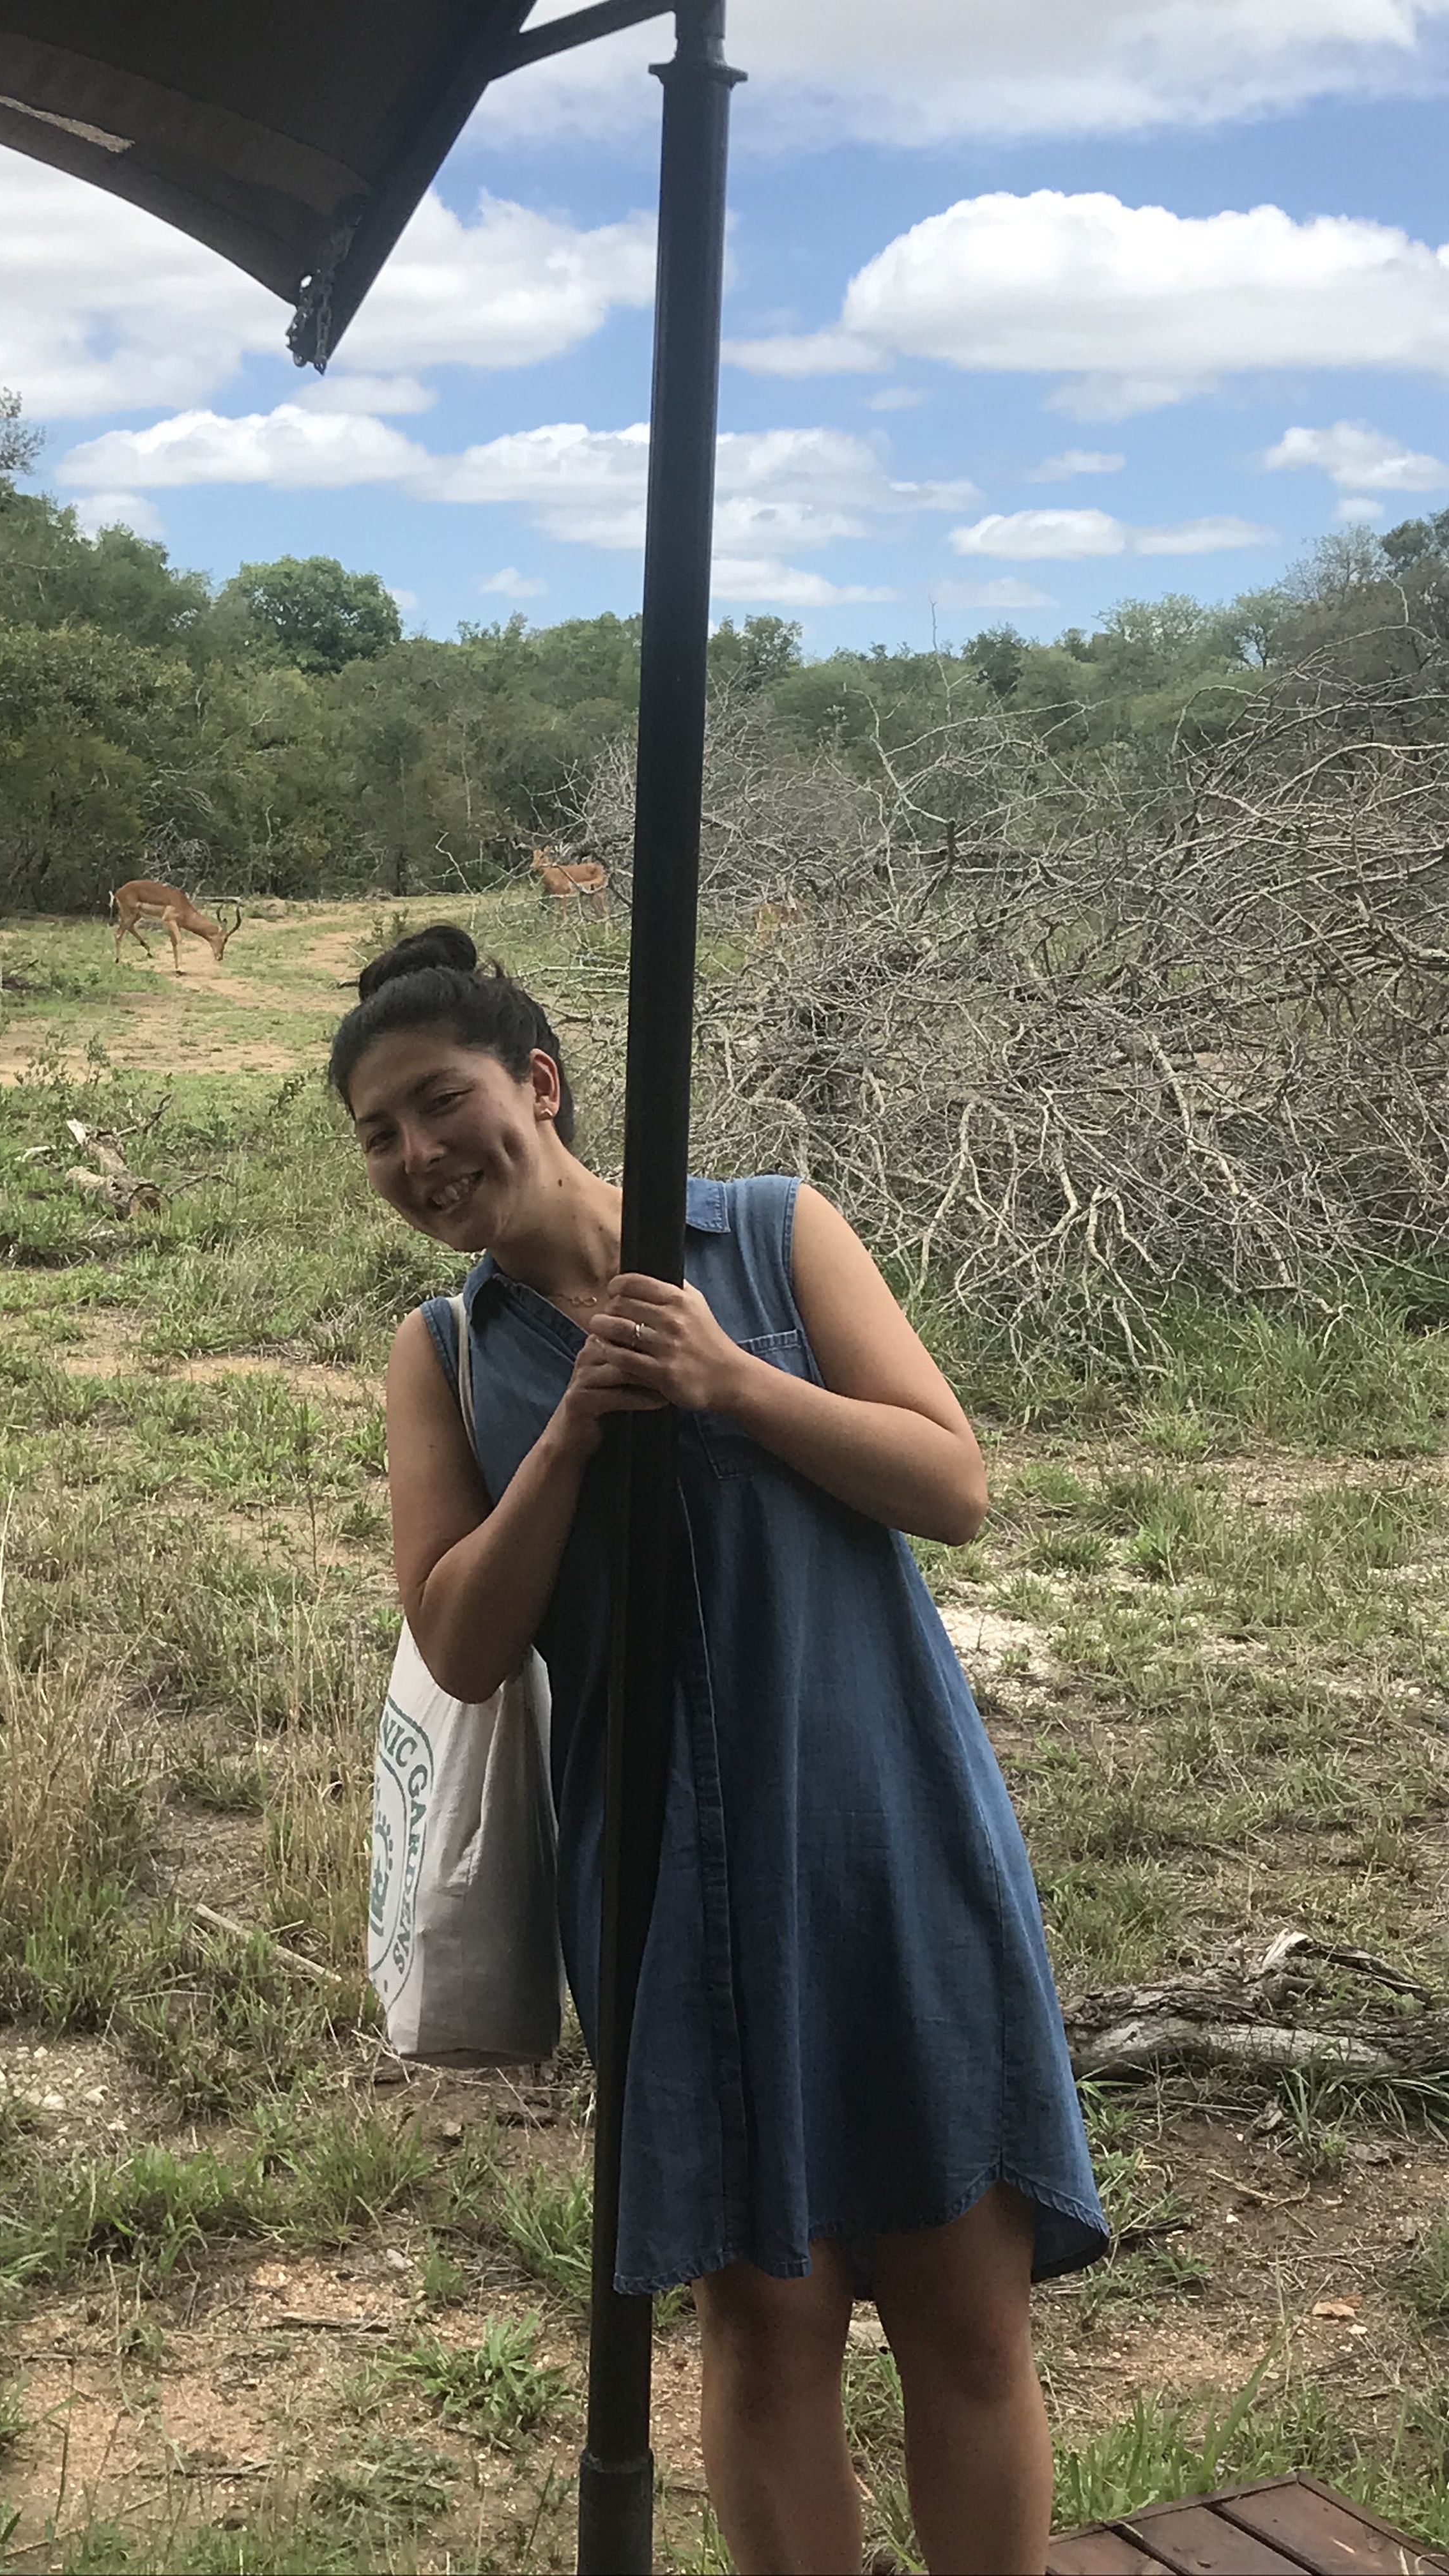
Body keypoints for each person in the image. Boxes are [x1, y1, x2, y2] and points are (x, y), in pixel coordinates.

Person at [330, 925, 1107, 2576]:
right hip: (670, 1891)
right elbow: (459, 1640)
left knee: (966, 2322)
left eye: (441, 1101)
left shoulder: (768, 1232)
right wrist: (572, 1433)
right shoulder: (444, 1354)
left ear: (539, 1085)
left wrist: (728, 1380)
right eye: (379, 1134)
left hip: (887, 1835)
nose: (418, 1154)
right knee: (764, 2333)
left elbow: (952, 1483)